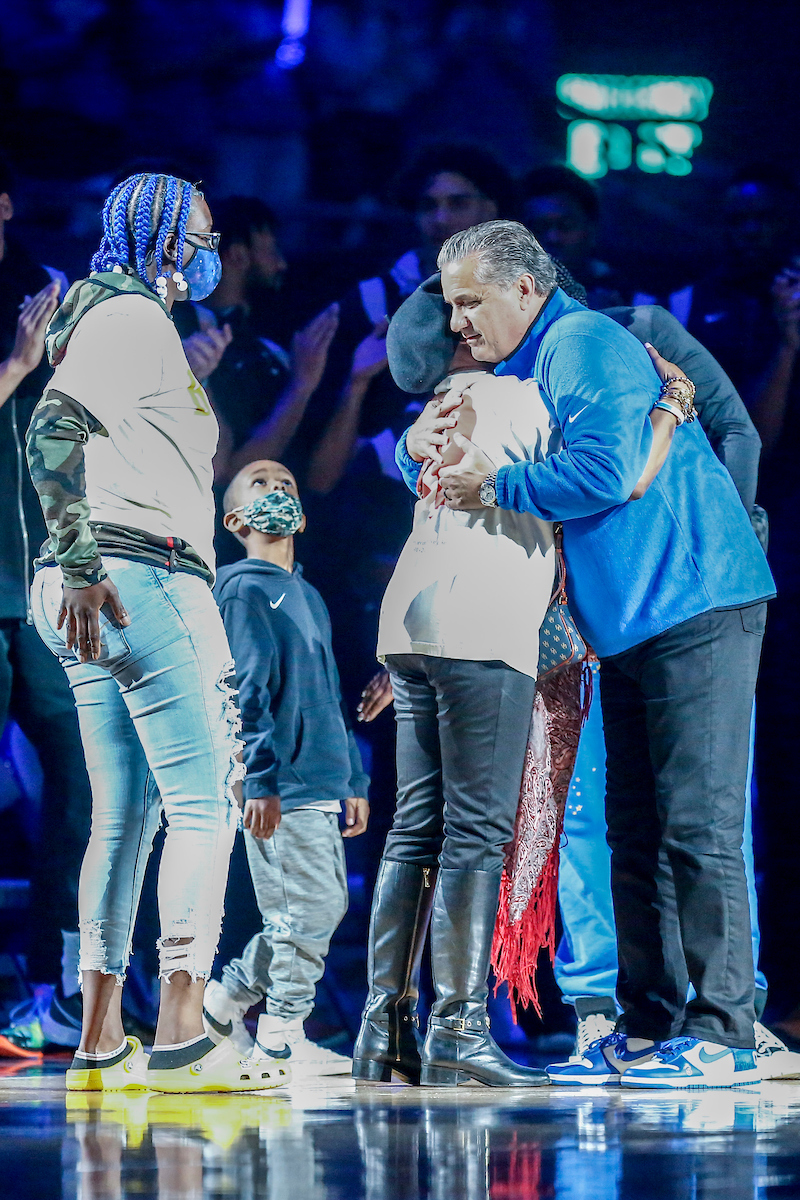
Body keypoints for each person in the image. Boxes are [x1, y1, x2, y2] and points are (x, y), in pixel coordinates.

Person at [429, 220, 774, 1089]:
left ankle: (727, 1031)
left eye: (471, 302)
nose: (458, 323)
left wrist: (497, 485)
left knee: (698, 824)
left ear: (525, 290)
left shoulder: (581, 340)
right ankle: (649, 1024)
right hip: (627, 623)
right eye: (451, 305)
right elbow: (434, 453)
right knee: (634, 834)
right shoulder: (524, 368)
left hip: (695, 601)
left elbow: (611, 468)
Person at [352, 271, 679, 1089]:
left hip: (411, 624)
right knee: (475, 833)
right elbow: (624, 476)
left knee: (414, 830)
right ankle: (458, 1031)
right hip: (480, 623)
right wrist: (672, 405)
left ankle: (383, 1028)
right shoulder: (517, 402)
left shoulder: (433, 414)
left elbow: (415, 464)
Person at [25, 171, 288, 1094]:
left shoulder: (111, 322)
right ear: (172, 239)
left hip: (91, 589)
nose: (214, 249)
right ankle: (182, 1032)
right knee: (208, 804)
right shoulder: (132, 320)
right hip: (140, 578)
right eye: (206, 231)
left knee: (124, 816)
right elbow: (49, 437)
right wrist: (87, 561)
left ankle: (100, 1037)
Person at [201, 459, 370, 1077]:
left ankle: (224, 1003)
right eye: (261, 483)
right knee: (307, 911)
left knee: (314, 910)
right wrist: (261, 779)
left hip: (320, 780)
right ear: (235, 519)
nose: (279, 488)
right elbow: (247, 689)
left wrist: (351, 777)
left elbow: (326, 688)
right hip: (283, 783)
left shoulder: (310, 595)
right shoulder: (242, 588)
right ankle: (279, 1035)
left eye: (288, 482)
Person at [0, 158, 92, 1057]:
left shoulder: (44, 289)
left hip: (42, 581)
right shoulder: (25, 327)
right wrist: (18, 364)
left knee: (84, 772)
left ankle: (62, 985)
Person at [519, 166, 626, 309]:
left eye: (566, 225)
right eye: (540, 227)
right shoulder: (500, 295)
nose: (553, 238)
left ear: (591, 228)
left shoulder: (629, 294)